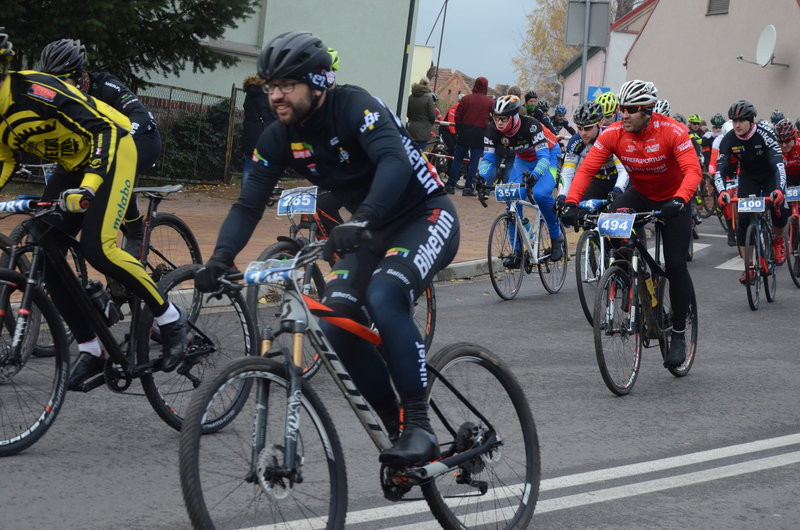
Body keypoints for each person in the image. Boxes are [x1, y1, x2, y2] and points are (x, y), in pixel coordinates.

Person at [194, 31, 459, 467]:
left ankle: (419, 426)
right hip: (369, 229)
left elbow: (393, 163)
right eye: (270, 85)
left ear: (317, 83)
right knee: (335, 326)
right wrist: (221, 258)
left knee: (384, 294)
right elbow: (248, 203)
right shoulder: (278, 137)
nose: (275, 95)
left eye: (286, 85)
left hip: (423, 215)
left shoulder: (355, 106)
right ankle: (397, 435)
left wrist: (361, 219)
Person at [0, 30, 186, 388]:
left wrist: (90, 186)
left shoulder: (36, 89)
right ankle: (92, 347)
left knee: (98, 247)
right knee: (44, 241)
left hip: (117, 147)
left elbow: (103, 129)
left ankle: (170, 318)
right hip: (73, 160)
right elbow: (5, 158)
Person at [561, 80, 702, 368]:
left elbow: (692, 170)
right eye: (622, 109)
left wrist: (680, 199)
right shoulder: (614, 133)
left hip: (674, 199)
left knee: (675, 265)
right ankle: (629, 273)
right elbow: (587, 169)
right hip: (640, 194)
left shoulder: (672, 131)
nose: (623, 115)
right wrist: (571, 202)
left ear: (648, 110)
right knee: (613, 223)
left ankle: (677, 332)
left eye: (632, 110)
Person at [35, 38, 161, 256]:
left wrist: (121, 139)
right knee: (47, 223)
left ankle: (134, 227)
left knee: (115, 164)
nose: (54, 87)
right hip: (92, 148)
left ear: (78, 75)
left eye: (61, 80)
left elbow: (142, 116)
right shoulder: (55, 97)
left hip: (141, 139)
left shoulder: (103, 85)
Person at [477, 95, 564, 267]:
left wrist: (534, 177)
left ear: (514, 116)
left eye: (503, 119)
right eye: (496, 118)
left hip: (549, 156)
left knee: (540, 193)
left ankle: (556, 237)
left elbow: (544, 158)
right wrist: (481, 177)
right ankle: (517, 252)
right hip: (522, 160)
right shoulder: (492, 130)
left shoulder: (531, 125)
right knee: (512, 199)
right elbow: (488, 159)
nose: (499, 123)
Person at [714, 100, 788, 273]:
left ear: (751, 121)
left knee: (777, 206)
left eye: (741, 121)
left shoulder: (765, 135)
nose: (737, 125)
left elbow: (778, 165)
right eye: (734, 121)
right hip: (749, 177)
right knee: (744, 220)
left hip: (770, 174)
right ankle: (748, 268)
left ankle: (778, 240)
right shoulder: (729, 139)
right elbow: (720, 169)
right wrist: (722, 191)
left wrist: (779, 189)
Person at [558, 100, 629, 208]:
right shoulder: (575, 142)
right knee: (581, 213)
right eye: (579, 128)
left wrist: (618, 189)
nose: (583, 133)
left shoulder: (611, 135)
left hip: (618, 179)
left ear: (599, 124)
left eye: (588, 128)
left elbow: (623, 170)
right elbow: (567, 173)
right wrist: (561, 196)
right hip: (597, 181)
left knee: (619, 213)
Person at [448, 77, 493, 196]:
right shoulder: (489, 102)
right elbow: (494, 118)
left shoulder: (465, 99)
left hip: (464, 132)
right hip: (480, 134)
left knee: (457, 160)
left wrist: (459, 130)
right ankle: (468, 188)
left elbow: (457, 116)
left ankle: (451, 185)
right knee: (474, 162)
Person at [240, 75, 275, 187]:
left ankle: (245, 193)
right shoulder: (264, 95)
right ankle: (262, 192)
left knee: (248, 166)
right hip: (263, 134)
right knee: (265, 165)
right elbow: (269, 115)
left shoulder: (249, 95)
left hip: (249, 134)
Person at [406, 77, 436, 152]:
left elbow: (408, 114)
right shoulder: (429, 98)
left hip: (411, 129)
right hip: (423, 131)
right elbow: (432, 116)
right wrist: (430, 124)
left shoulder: (410, 97)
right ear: (428, 85)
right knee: (420, 154)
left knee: (410, 152)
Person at [776, 119, 800, 187]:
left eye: (787, 141)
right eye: (780, 142)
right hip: (786, 178)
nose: (784, 145)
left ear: (794, 138)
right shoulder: (775, 149)